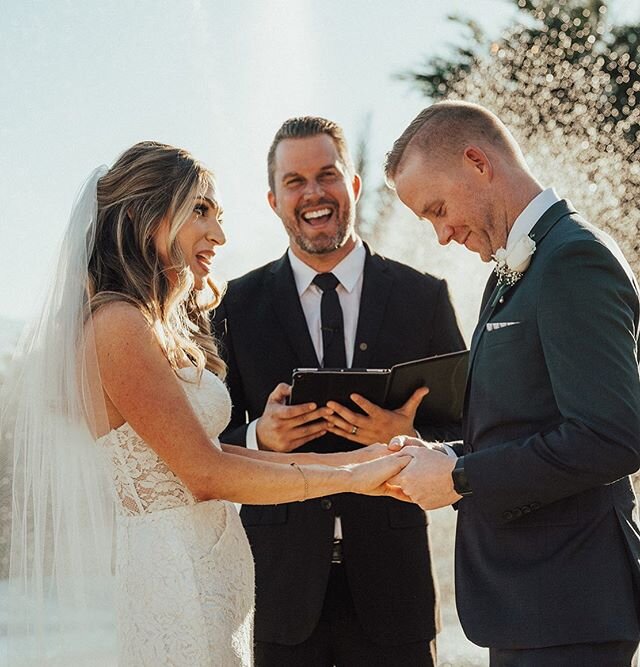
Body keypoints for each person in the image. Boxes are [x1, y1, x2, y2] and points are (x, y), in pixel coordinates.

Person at [4, 141, 411, 667]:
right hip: (175, 578)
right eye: (200, 211)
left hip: (211, 567)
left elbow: (218, 456)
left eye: (217, 215)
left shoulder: (148, 324)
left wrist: (358, 462)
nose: (218, 235)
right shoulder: (115, 325)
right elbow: (206, 473)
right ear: (142, 215)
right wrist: (353, 477)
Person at [384, 100, 640, 666]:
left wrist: (461, 476)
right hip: (534, 607)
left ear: (478, 162)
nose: (442, 234)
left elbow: (612, 437)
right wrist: (442, 455)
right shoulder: (517, 269)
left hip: (570, 608)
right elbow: (529, 423)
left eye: (438, 209)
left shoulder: (574, 261)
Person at [213, 116, 465, 666]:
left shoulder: (423, 298)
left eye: (326, 175)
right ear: (274, 200)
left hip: (394, 588)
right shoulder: (235, 306)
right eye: (295, 181)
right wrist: (259, 436)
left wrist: (412, 436)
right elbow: (207, 442)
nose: (313, 193)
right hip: (277, 591)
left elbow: (472, 429)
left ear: (352, 184)